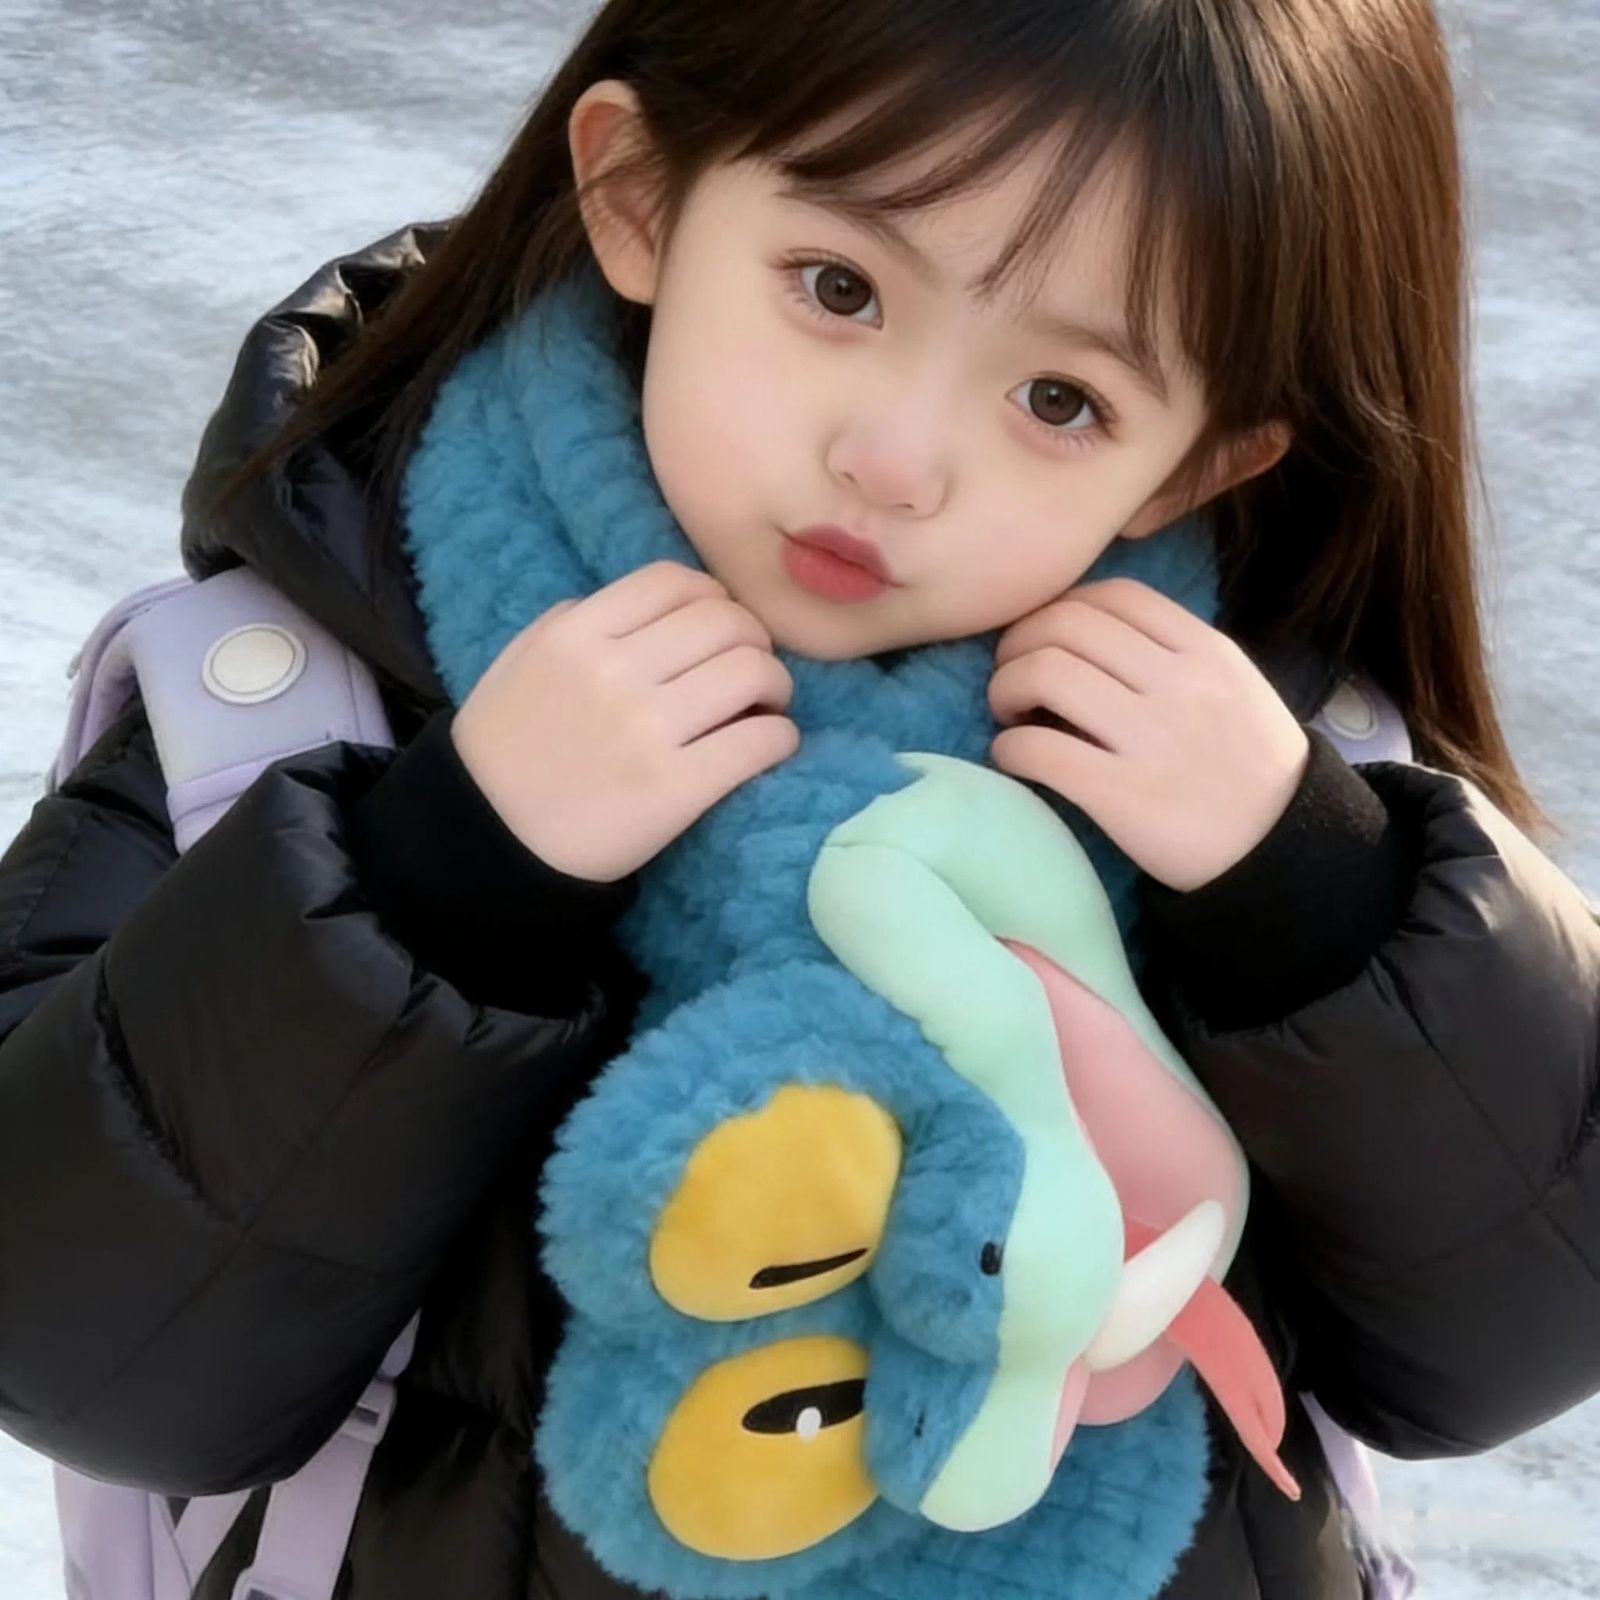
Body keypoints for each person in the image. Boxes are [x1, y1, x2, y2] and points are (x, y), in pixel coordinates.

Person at [2, 0, 1597, 1596]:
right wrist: (438, 881)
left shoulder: (1265, 760)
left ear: (1193, 467)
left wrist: (1319, 905)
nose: (895, 460)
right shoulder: (292, 710)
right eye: (839, 289)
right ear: (640, 195)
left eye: (1061, 401)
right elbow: (71, 1346)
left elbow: (1514, 1343)